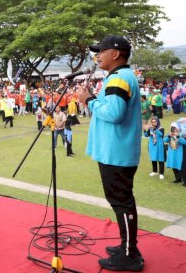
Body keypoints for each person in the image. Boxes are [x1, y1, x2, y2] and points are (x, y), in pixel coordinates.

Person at [76, 35, 144, 271]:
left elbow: (114, 113)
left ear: (115, 54)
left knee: (121, 202)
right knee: (122, 201)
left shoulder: (118, 79)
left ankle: (130, 254)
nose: (97, 56)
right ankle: (127, 245)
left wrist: (90, 100)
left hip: (117, 152)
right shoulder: (120, 77)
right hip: (116, 151)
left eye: (101, 51)